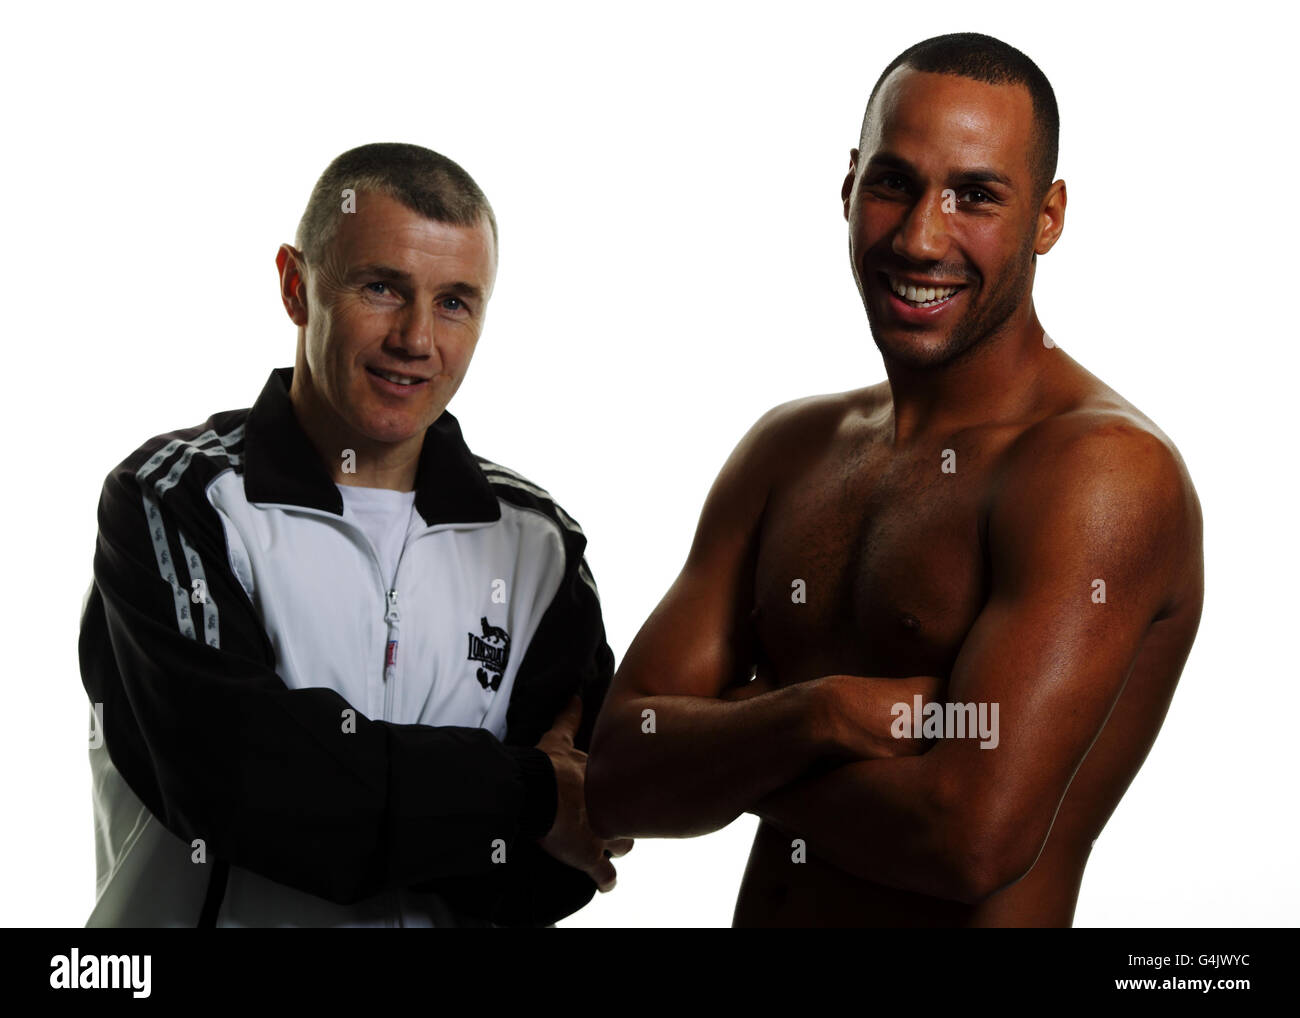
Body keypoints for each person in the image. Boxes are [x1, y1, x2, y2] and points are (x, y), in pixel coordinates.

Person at [585, 32, 1204, 927]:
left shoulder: (1098, 471)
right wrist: (819, 716)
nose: (921, 237)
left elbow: (968, 840)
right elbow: (619, 769)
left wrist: (729, 748)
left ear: (1048, 217)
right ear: (848, 185)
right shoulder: (790, 447)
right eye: (894, 183)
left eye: (976, 196)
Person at [79, 142, 630, 927]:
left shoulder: (538, 544)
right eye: (382, 287)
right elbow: (246, 788)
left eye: (454, 302)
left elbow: (567, 855)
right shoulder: (174, 501)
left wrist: (368, 795)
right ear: (297, 287)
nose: (416, 339)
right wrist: (521, 794)